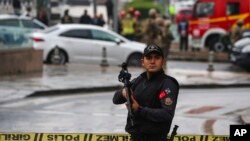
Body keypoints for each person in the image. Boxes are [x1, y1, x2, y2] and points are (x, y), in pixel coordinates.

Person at [113, 44, 179, 141]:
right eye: (148, 58)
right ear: (143, 62)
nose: (152, 61)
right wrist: (123, 91)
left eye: (157, 58)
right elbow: (116, 100)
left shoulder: (168, 84)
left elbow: (166, 114)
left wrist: (139, 110)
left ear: (163, 61)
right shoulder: (139, 80)